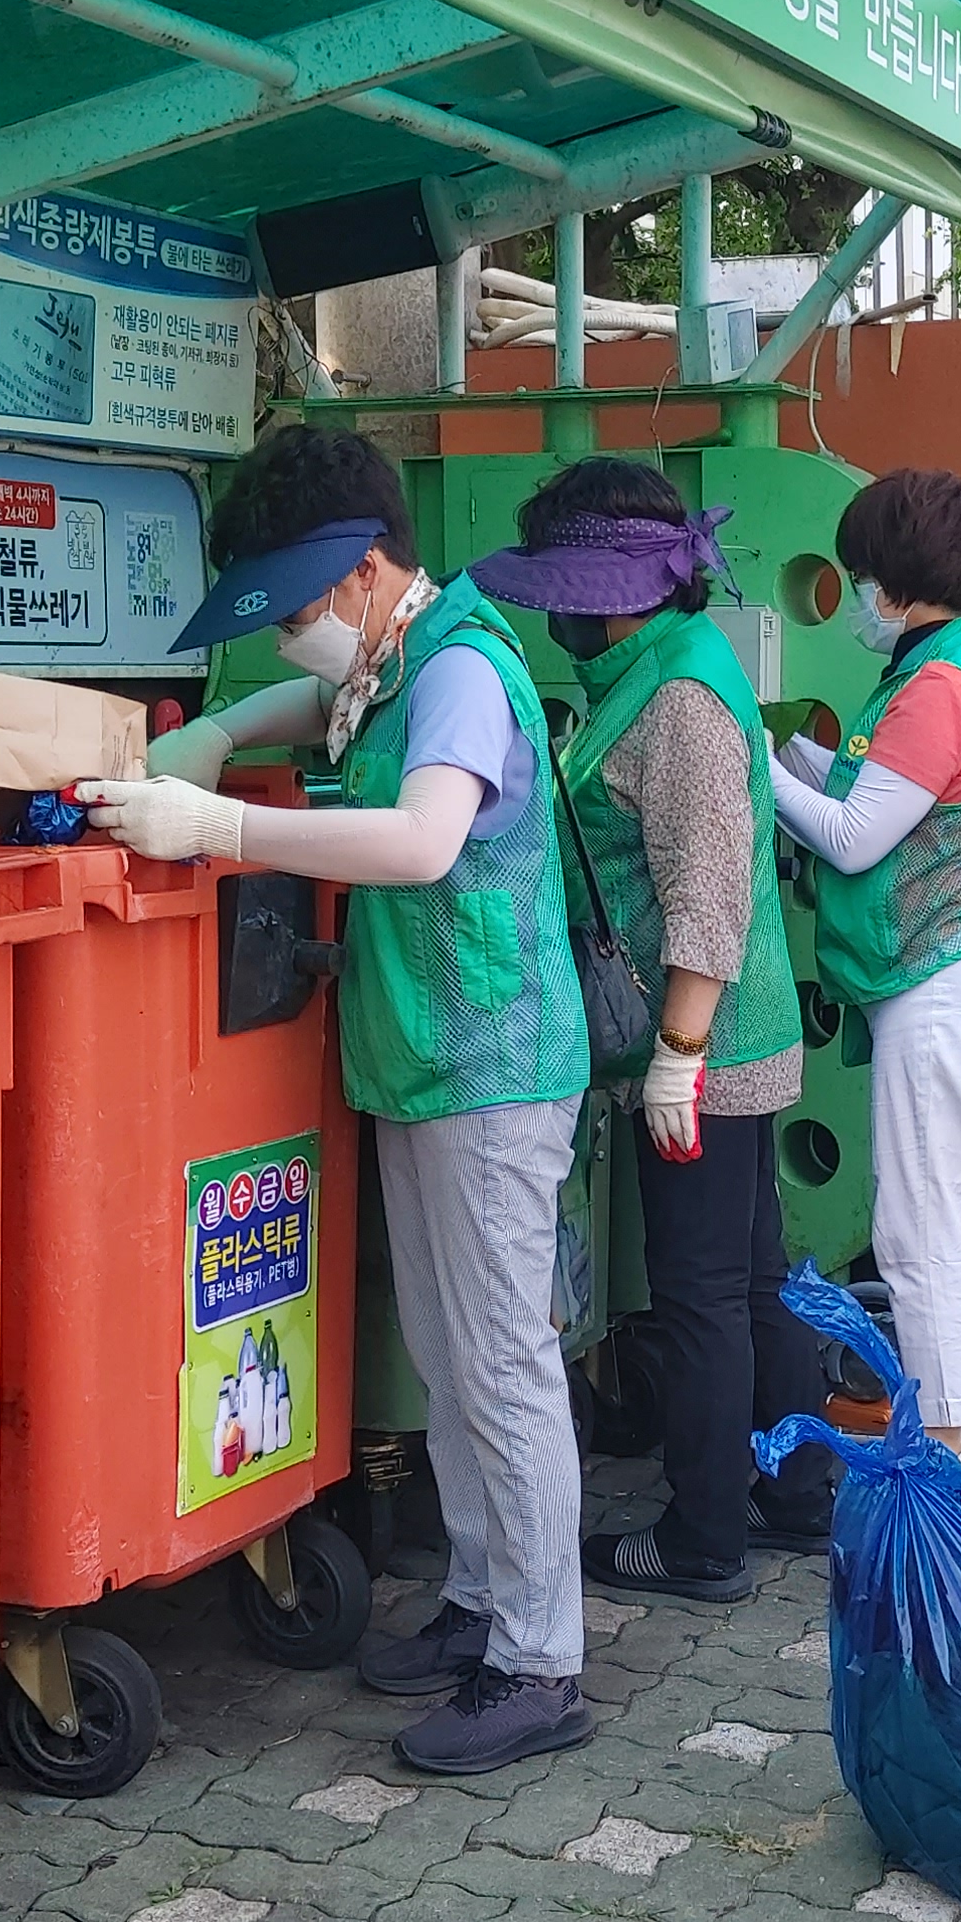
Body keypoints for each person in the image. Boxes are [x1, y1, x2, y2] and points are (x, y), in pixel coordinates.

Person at [81, 426, 596, 1774]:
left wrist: (220, 828)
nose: (289, 636)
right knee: (448, 1355)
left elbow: (424, 839)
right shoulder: (399, 662)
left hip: (490, 1071)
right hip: (428, 1062)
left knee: (502, 1366)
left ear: (368, 573)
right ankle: (482, 1605)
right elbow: (324, 713)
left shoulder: (466, 672)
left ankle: (542, 1663)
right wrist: (220, 732)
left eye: (297, 608)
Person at [468, 458, 838, 1601]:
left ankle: (703, 1538)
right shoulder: (662, 667)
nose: (553, 613)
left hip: (706, 1048)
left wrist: (678, 1058)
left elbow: (708, 893)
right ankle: (795, 1491)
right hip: (727, 1031)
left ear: (607, 587)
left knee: (699, 1293)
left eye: (564, 589)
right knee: (753, 1276)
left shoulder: (676, 697)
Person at [767, 469, 961, 1463]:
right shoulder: (950, 665)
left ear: (898, 581)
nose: (858, 593)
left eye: (863, 574)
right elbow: (883, 795)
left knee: (918, 1225)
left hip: (939, 987)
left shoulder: (934, 687)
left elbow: (858, 838)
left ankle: (940, 1439)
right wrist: (800, 760)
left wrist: (753, 766)